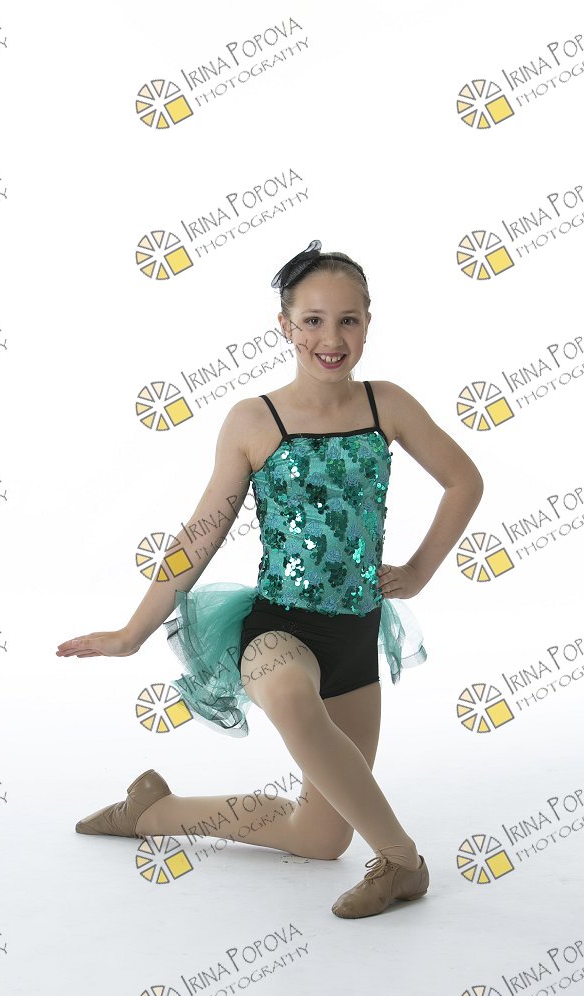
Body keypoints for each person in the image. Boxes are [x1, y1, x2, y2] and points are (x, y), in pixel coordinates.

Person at [56, 239, 484, 919]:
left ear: (368, 323)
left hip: (358, 630)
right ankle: (402, 861)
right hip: (277, 628)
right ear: (285, 326)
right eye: (312, 320)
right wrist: (131, 633)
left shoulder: (388, 405)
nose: (331, 339)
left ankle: (152, 811)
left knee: (320, 838)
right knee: (288, 696)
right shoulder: (256, 420)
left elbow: (465, 481)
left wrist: (419, 571)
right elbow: (200, 534)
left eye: (347, 320)